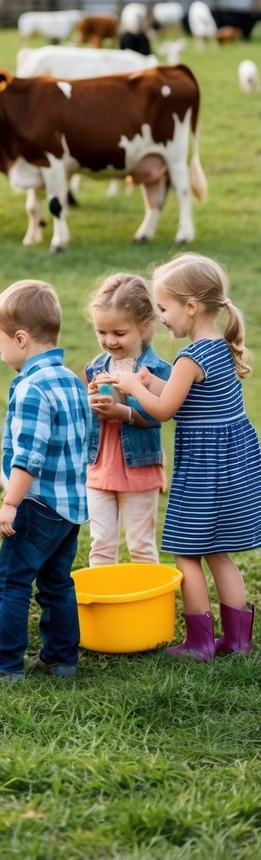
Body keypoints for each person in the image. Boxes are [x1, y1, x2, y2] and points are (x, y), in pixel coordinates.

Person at [112, 253, 261, 661]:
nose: (161, 317)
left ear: (191, 307)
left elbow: (163, 411)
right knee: (218, 551)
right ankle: (237, 640)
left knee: (186, 550)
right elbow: (192, 398)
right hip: (234, 463)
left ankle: (199, 644)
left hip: (204, 468)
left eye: (164, 308)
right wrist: (152, 380)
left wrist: (132, 384)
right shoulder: (219, 348)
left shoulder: (190, 358)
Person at [0, 280, 92, 684]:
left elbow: (29, 457)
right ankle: (60, 659)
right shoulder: (71, 380)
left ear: (21, 338)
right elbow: (90, 442)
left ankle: (4, 664)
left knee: (12, 581)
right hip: (71, 507)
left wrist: (11, 502)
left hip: (35, 504)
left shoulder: (31, 388)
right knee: (56, 583)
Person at [84, 273, 172, 566]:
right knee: (101, 545)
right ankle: (104, 607)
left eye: (119, 333)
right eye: (101, 332)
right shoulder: (95, 367)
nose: (109, 341)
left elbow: (159, 414)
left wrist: (122, 412)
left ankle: (146, 609)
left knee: (141, 547)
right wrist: (90, 404)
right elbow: (89, 417)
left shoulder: (158, 370)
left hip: (140, 468)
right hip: (100, 467)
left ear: (145, 327)